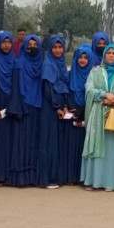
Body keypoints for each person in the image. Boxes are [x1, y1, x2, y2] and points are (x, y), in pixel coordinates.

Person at [82, 44, 114, 191]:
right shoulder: (95, 72)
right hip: (98, 114)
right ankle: (93, 181)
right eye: (108, 53)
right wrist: (104, 95)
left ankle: (111, 182)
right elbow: (89, 89)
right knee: (97, 145)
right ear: (104, 55)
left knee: (113, 149)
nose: (111, 55)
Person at [8, 34, 44, 186]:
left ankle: (32, 176)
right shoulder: (19, 63)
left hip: (38, 107)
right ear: (24, 46)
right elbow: (15, 88)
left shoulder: (42, 64)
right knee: (21, 142)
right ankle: (19, 177)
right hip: (23, 107)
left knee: (34, 143)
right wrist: (18, 108)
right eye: (30, 45)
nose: (32, 47)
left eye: (35, 45)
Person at [37, 34, 72, 188]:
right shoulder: (48, 64)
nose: (57, 50)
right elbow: (48, 89)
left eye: (60, 47)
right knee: (49, 141)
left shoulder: (61, 64)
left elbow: (64, 86)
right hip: (50, 108)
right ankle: (48, 178)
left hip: (59, 108)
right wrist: (57, 106)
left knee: (56, 142)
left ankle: (56, 176)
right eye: (54, 47)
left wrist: (64, 106)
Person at [0, 31, 16, 184]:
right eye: (3, 42)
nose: (6, 45)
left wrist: (13, 105)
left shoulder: (15, 62)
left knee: (9, 141)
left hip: (11, 103)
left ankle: (7, 175)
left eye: (9, 42)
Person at [67, 45, 94, 183]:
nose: (82, 60)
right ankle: (71, 176)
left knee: (86, 146)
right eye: (80, 57)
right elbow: (66, 92)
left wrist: (82, 112)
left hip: (88, 115)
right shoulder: (70, 74)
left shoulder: (94, 77)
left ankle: (84, 177)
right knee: (71, 147)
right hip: (72, 114)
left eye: (86, 58)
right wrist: (70, 107)